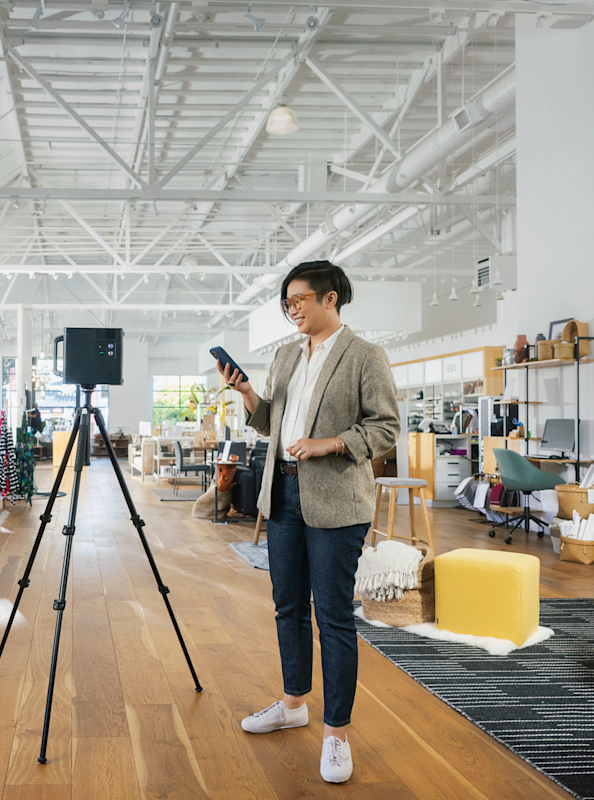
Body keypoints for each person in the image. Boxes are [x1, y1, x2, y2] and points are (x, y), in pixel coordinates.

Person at [217, 260, 400, 784]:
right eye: (287, 302)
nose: (291, 308)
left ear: (330, 300)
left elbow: (385, 427)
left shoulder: (366, 355)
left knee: (334, 617)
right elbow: (271, 421)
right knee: (288, 605)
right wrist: (248, 394)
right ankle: (294, 702)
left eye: (299, 299)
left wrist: (332, 442)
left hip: (336, 497)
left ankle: (337, 733)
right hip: (284, 491)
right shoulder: (286, 355)